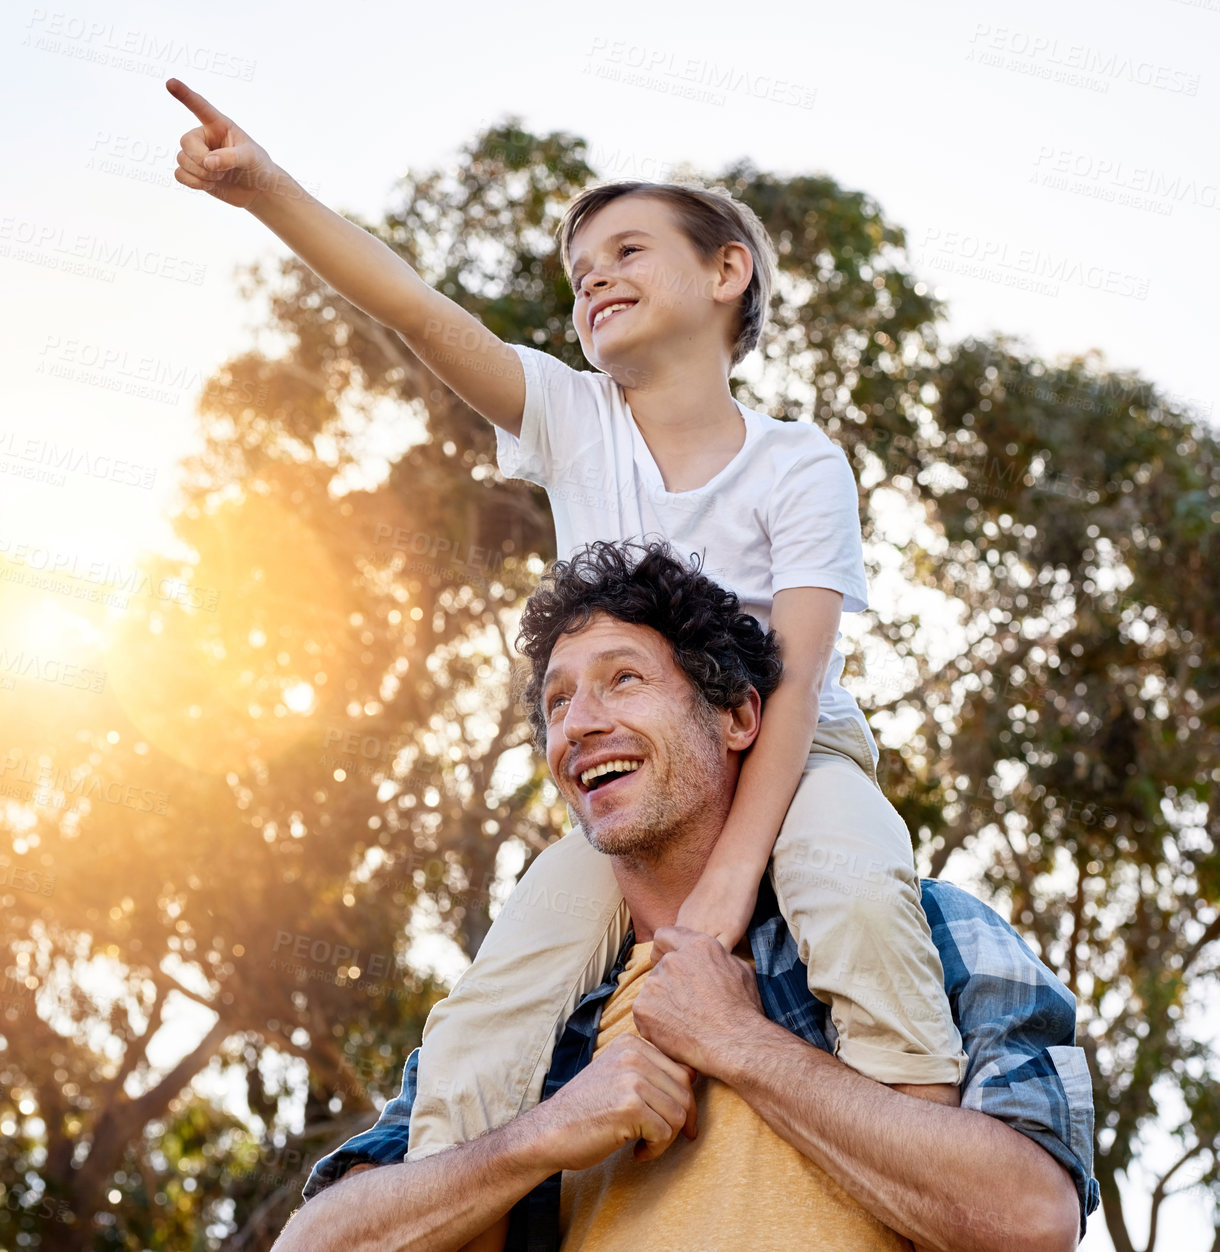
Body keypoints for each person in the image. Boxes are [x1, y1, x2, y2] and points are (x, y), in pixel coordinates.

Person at [165, 78, 965, 1164]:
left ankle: (922, 1158)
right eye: (581, 275)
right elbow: (414, 308)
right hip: (642, 786)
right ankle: (452, 1212)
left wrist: (725, 891)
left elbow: (801, 672)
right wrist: (266, 191)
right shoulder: (574, 421)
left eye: (628, 253)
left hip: (793, 748)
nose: (596, 280)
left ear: (726, 273)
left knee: (860, 897)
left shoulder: (799, 463)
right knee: (489, 1010)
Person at [281, 540, 1098, 1251]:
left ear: (741, 717)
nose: (579, 723)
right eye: (558, 701)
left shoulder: (927, 931)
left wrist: (740, 1043)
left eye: (624, 679)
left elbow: (1032, 1221)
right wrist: (538, 1138)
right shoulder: (531, 1029)